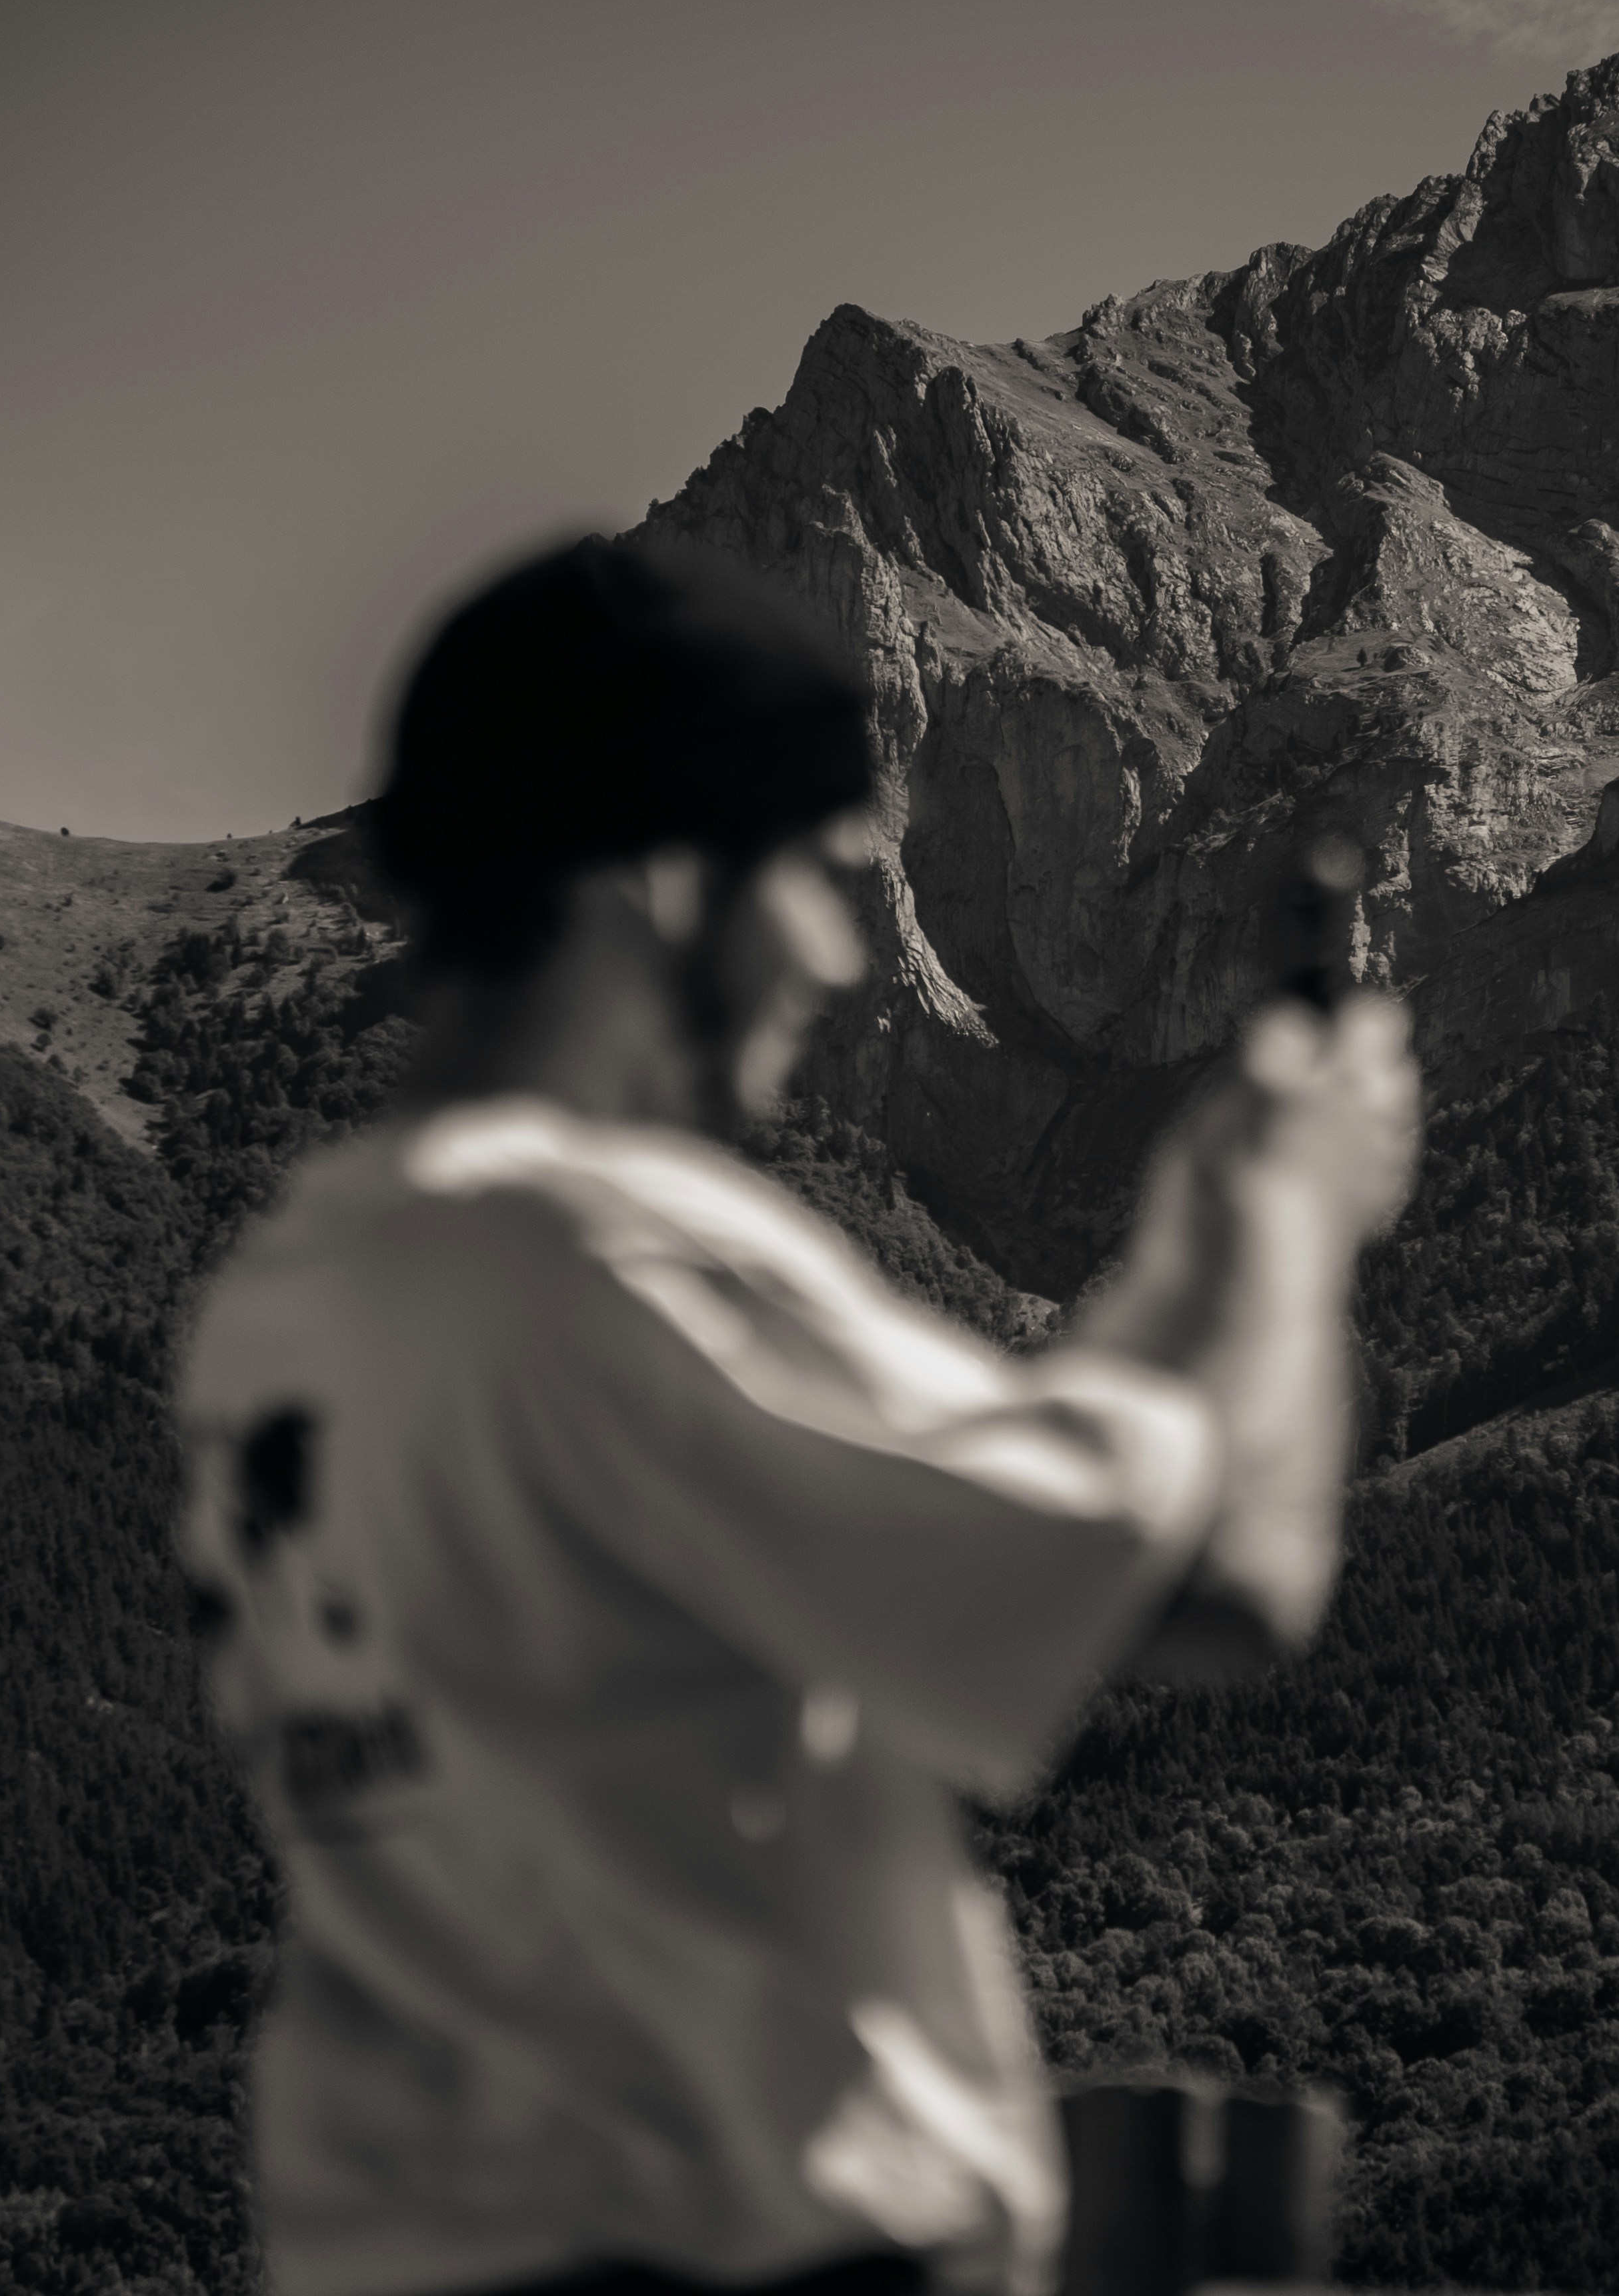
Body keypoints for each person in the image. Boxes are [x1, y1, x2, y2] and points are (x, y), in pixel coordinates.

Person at [171, 537, 1419, 2296]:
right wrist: (1294, 1217)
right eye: (821, 880)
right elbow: (1218, 1581)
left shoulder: (291, 1302)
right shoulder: (600, 1255)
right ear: (666, 877)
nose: (839, 953)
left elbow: (1052, 1481)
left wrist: (1202, 1225)